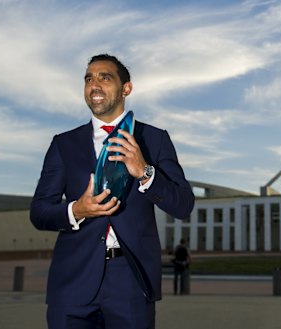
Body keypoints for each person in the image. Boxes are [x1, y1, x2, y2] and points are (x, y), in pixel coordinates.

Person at [30, 54, 195, 329]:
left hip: (130, 281)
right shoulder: (63, 144)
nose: (94, 85)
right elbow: (39, 212)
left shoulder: (154, 139)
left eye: (104, 78)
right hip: (72, 281)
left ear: (126, 88)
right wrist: (76, 210)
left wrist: (144, 171)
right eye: (88, 79)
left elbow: (184, 205)